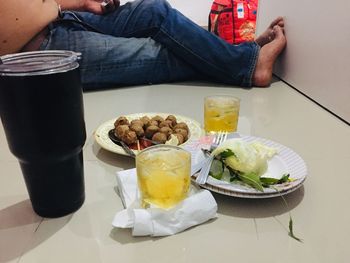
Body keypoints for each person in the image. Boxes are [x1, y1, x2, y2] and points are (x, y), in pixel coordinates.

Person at [0, 0, 286, 90]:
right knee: (158, 52)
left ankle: (240, 57)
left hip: (59, 18)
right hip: (36, 51)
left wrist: (81, 3)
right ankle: (248, 64)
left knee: (154, 10)